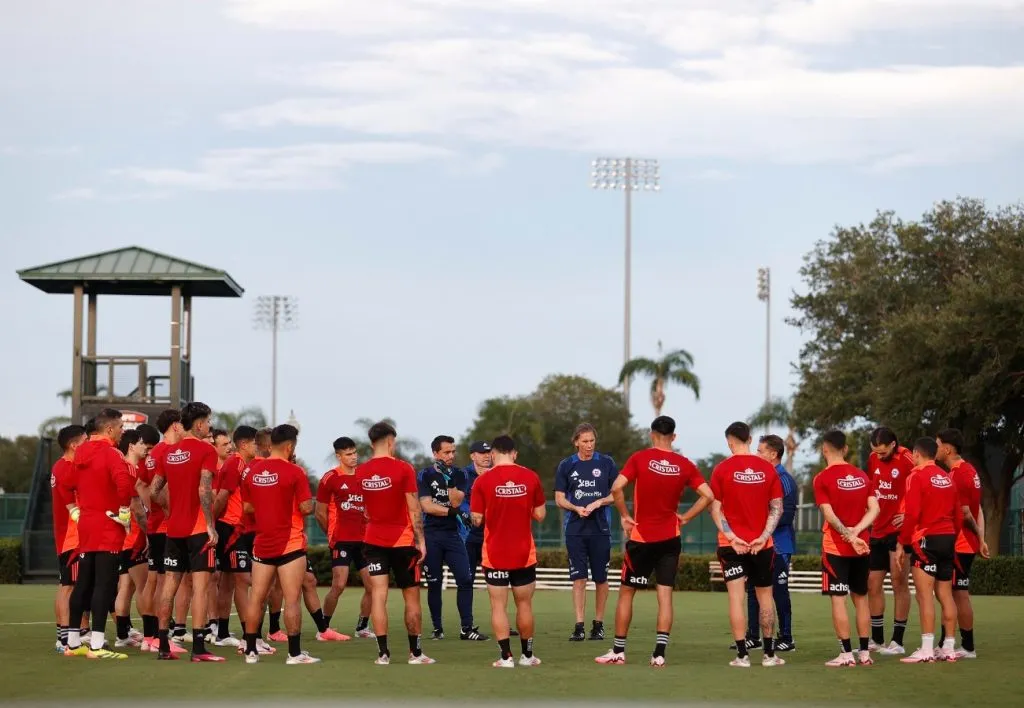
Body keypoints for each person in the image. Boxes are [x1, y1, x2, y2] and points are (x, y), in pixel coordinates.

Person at [595, 416, 714, 668]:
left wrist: (625, 517)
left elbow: (617, 487)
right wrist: (687, 517)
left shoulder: (640, 458)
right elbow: (708, 495)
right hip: (670, 538)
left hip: (641, 537)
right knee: (665, 596)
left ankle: (618, 651)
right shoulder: (685, 464)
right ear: (674, 437)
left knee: (627, 594)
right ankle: (659, 654)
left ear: (651, 434)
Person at [240, 424, 320, 664]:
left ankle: (251, 651)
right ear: (289, 447)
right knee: (292, 599)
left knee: (257, 598)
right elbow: (306, 507)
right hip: (290, 544)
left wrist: (268, 507)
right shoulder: (295, 472)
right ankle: (294, 654)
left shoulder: (252, 472)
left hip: (262, 542)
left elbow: (246, 508)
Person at [149, 402, 223, 662]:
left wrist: (170, 512)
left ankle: (163, 646)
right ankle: (199, 649)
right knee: (201, 589)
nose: (210, 426)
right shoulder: (206, 449)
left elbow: (153, 492)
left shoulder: (169, 453)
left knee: (169, 586)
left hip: (174, 529)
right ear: (200, 423)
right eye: (209, 421)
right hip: (198, 529)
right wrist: (210, 524)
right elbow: (204, 490)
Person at [62, 408, 138, 659]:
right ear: (109, 430)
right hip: (108, 524)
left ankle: (72, 643)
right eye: (120, 428)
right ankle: (96, 645)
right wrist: (125, 511)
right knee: (104, 585)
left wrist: (74, 509)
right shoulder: (111, 453)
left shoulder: (81, 452)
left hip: (87, 524)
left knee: (83, 583)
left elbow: (66, 483)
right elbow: (124, 483)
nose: (121, 432)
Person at [356, 421, 434, 665]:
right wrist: (421, 541)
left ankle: (383, 654)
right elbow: (414, 508)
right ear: (391, 441)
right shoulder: (403, 469)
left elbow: (364, 509)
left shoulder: (361, 471)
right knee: (411, 597)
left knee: (378, 596)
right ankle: (416, 654)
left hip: (373, 540)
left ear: (371, 443)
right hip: (403, 541)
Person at [711, 421, 785, 668]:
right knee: (766, 598)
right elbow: (777, 508)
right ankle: (769, 655)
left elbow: (716, 508)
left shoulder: (721, 469)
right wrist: (763, 536)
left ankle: (742, 655)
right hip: (761, 546)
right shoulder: (768, 469)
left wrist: (732, 536)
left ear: (729, 442)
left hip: (732, 546)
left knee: (736, 599)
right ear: (750, 440)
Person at [470, 435, 546, 668]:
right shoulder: (531, 477)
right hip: (524, 552)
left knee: (498, 606)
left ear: (492, 454)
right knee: (524, 604)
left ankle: (505, 658)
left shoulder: (482, 481)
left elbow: (477, 519)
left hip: (495, 554)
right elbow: (541, 515)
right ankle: (527, 656)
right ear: (515, 453)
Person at [813, 430, 880, 667]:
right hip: (862, 547)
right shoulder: (862, 476)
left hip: (837, 548)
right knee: (861, 600)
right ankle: (864, 653)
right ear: (846, 449)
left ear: (825, 449)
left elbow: (829, 515)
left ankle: (845, 654)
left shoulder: (821, 478)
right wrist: (857, 532)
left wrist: (848, 535)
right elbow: (875, 509)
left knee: (838, 600)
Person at [895, 437, 963, 664]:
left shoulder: (915, 476)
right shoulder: (946, 476)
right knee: (945, 594)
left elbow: (912, 514)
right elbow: (959, 514)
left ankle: (926, 649)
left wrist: (903, 544)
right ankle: (949, 648)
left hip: (926, 539)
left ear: (915, 454)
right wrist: (952, 536)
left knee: (925, 597)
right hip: (948, 538)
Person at [554, 423, 618, 642]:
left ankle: (598, 625)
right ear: (576, 442)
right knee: (579, 579)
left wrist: (599, 502)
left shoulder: (607, 463)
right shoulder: (566, 465)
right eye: (585, 441)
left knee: (601, 578)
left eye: (592, 441)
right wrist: (575, 508)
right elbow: (559, 498)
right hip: (575, 529)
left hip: (600, 528)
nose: (589, 445)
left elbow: (616, 494)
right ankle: (579, 625)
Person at [419, 434, 485, 641]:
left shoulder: (460, 474)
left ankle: (467, 628)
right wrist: (452, 513)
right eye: (446, 452)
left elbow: (456, 502)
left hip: (452, 535)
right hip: (431, 534)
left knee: (465, 579)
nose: (451, 455)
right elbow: (427, 506)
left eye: (453, 451)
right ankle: (437, 629)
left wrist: (449, 480)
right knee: (434, 582)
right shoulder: (425, 475)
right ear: (435, 453)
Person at [935, 428, 989, 659]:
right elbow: (978, 511)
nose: (935, 449)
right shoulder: (970, 471)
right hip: (968, 542)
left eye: (937, 445)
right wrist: (982, 539)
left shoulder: (957, 475)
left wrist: (977, 537)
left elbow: (967, 513)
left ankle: (960, 646)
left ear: (947, 449)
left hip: (959, 544)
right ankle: (957, 644)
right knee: (955, 593)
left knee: (954, 594)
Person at [136, 409, 185, 653]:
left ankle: (149, 637)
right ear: (176, 425)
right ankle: (157, 637)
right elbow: (156, 487)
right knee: (165, 581)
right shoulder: (168, 451)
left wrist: (151, 512)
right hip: (167, 526)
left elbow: (142, 484)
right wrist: (167, 510)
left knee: (154, 580)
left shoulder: (153, 453)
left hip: (156, 524)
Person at [744, 434, 799, 652]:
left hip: (779, 546)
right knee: (753, 589)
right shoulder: (762, 476)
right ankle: (753, 636)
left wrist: (762, 529)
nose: (757, 454)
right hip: (759, 543)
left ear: (773, 454)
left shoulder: (783, 479)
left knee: (778, 591)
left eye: (760, 451)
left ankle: (786, 638)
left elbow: (786, 515)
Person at [316, 437, 374, 638]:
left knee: (372, 586)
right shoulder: (330, 478)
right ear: (338, 456)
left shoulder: (364, 476)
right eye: (348, 454)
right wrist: (331, 535)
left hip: (364, 540)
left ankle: (362, 627)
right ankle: (324, 628)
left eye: (355, 452)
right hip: (341, 540)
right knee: (339, 584)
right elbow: (319, 512)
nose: (354, 457)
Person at [866, 426, 915, 655]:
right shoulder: (872, 459)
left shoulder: (907, 459)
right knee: (872, 583)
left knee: (899, 582)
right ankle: (877, 640)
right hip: (877, 530)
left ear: (893, 445)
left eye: (883, 452)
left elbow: (921, 487)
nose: (878, 456)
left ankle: (897, 641)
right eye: (875, 452)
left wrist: (908, 514)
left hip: (899, 532)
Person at [113, 425, 159, 649]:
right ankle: (150, 636)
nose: (146, 449)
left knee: (127, 587)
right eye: (143, 444)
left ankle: (123, 634)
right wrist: (149, 535)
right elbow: (137, 508)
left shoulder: (123, 468)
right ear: (132, 446)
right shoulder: (130, 471)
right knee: (144, 586)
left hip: (124, 538)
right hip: (134, 539)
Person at [51, 424, 87, 654]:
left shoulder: (60, 466)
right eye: (85, 440)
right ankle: (65, 638)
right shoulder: (67, 468)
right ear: (74, 445)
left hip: (68, 536)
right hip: (71, 537)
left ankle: (71, 634)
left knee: (71, 586)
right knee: (69, 587)